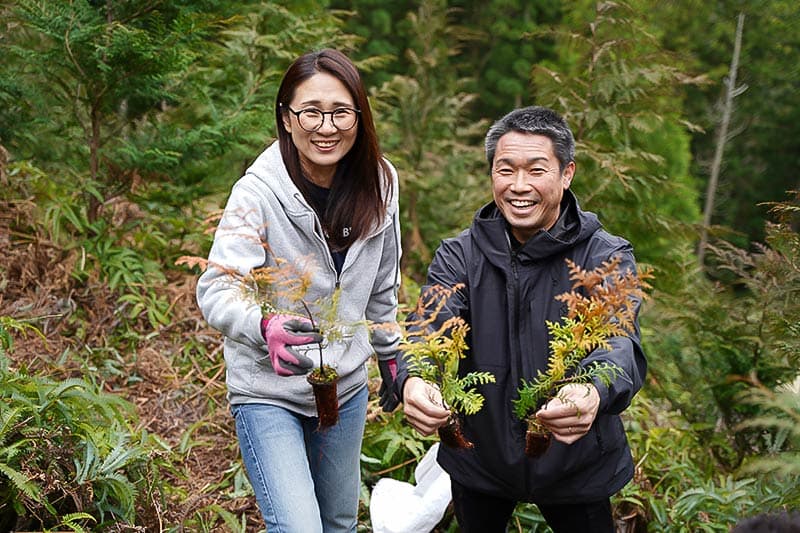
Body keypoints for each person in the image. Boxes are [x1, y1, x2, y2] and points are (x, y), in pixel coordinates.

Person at [396, 106, 647, 533]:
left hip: (576, 462)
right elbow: (428, 328)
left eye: (536, 170)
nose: (518, 186)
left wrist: (592, 390)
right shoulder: (461, 255)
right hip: (481, 456)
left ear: (567, 173)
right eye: (505, 170)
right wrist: (412, 378)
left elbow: (619, 342)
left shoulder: (604, 256)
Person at [196, 48, 401, 532]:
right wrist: (262, 324)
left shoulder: (381, 183)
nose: (326, 127)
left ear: (360, 116)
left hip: (345, 388)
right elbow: (218, 287)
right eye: (310, 111)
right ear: (286, 119)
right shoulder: (258, 192)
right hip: (268, 390)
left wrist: (392, 354)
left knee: (338, 524)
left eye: (340, 112)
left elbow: (382, 287)